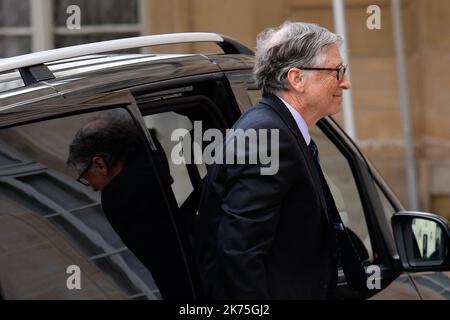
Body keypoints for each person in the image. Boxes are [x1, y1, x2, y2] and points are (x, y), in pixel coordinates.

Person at [195, 21, 367, 299]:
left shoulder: (280, 128)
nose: (345, 82)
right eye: (337, 71)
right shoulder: (268, 135)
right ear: (297, 78)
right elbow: (240, 253)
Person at [66, 112, 194, 299]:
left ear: (100, 164)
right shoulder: (155, 168)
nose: (92, 187)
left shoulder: (120, 198)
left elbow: (168, 269)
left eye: (85, 177)